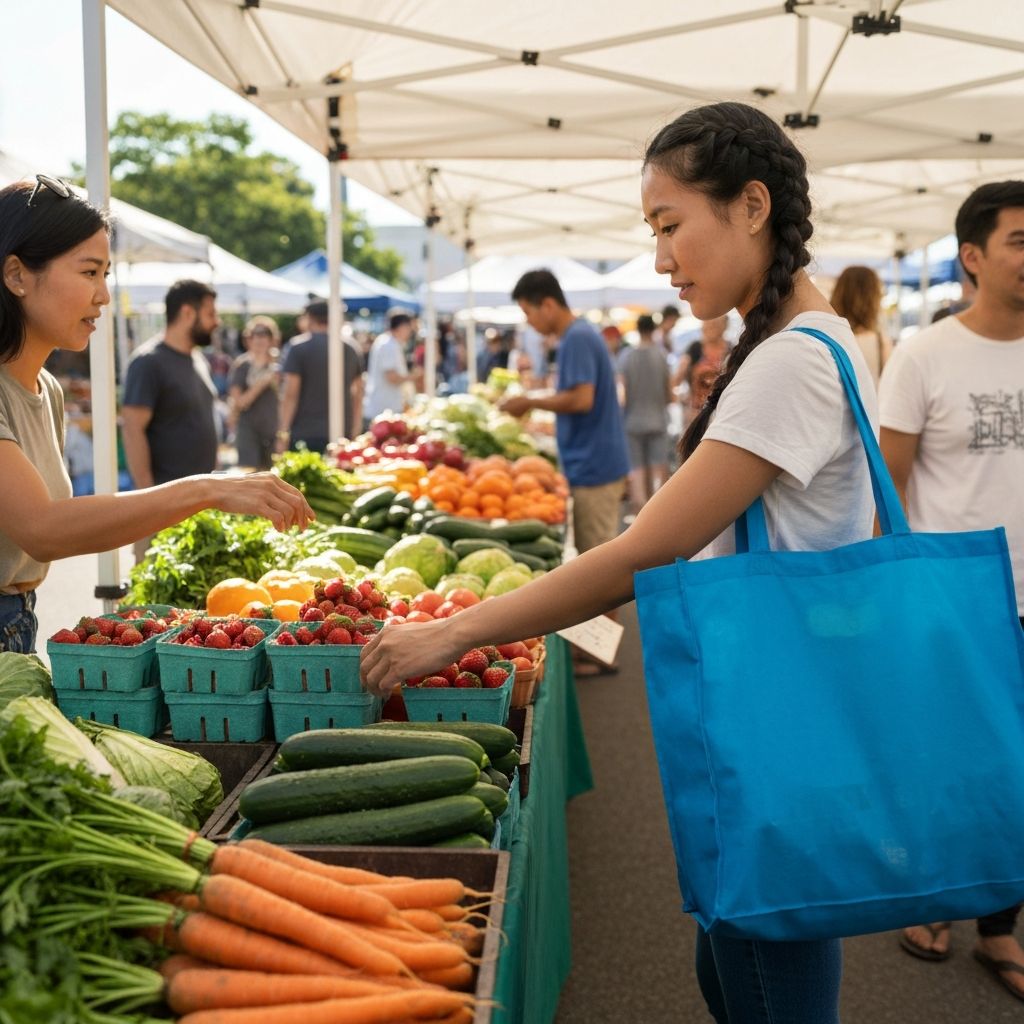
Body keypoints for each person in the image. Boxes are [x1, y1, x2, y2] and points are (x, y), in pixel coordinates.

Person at [364, 100, 877, 1023]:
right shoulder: (818, 340)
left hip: (773, 723)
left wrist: (455, 631)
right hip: (787, 710)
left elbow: (649, 548)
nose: (661, 259)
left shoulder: (793, 361)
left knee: (767, 986)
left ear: (752, 206)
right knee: (737, 974)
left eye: (670, 225)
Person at [0, 177, 313, 652]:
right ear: (17, 275)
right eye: (89, 273)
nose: (103, 296)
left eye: (105, 274)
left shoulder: (46, 389)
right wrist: (207, 488)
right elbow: (42, 529)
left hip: (19, 622)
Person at [880, 180, 1024, 1000]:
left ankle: (998, 927)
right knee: (944, 761)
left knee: (1018, 770)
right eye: (1021, 241)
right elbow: (890, 490)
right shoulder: (926, 354)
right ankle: (933, 898)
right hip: (952, 603)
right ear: (972, 256)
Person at [121, 279, 221, 490]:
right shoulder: (148, 362)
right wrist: (148, 496)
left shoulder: (199, 359)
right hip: (168, 500)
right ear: (187, 313)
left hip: (202, 495)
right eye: (210, 314)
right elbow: (132, 429)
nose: (217, 322)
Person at [277, 300, 363, 452]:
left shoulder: (298, 347)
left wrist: (283, 432)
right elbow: (358, 392)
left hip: (304, 432)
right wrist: (356, 428)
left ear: (309, 318)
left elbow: (291, 394)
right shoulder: (351, 348)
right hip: (342, 431)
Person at [618, 314, 671, 513]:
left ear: (637, 329)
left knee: (637, 467)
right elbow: (669, 393)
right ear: (653, 329)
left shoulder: (626, 356)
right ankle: (658, 513)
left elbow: (621, 394)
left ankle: (640, 511)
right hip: (658, 418)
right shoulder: (661, 356)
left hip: (632, 420)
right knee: (658, 466)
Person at [228, 316, 281, 470]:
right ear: (248, 339)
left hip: (273, 431)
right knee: (249, 475)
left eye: (264, 334)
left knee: (272, 476)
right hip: (248, 430)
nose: (259, 339)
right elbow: (239, 402)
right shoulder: (241, 366)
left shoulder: (279, 366)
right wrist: (263, 383)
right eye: (254, 335)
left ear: (272, 338)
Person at [829, 265, 892, 386]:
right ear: (873, 298)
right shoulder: (880, 341)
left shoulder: (828, 338)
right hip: (871, 404)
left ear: (838, 293)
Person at [363, 312, 413, 423]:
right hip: (383, 408)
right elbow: (392, 377)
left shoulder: (389, 342)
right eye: (409, 328)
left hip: (385, 407)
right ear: (402, 327)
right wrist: (413, 378)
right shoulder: (388, 345)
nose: (410, 332)